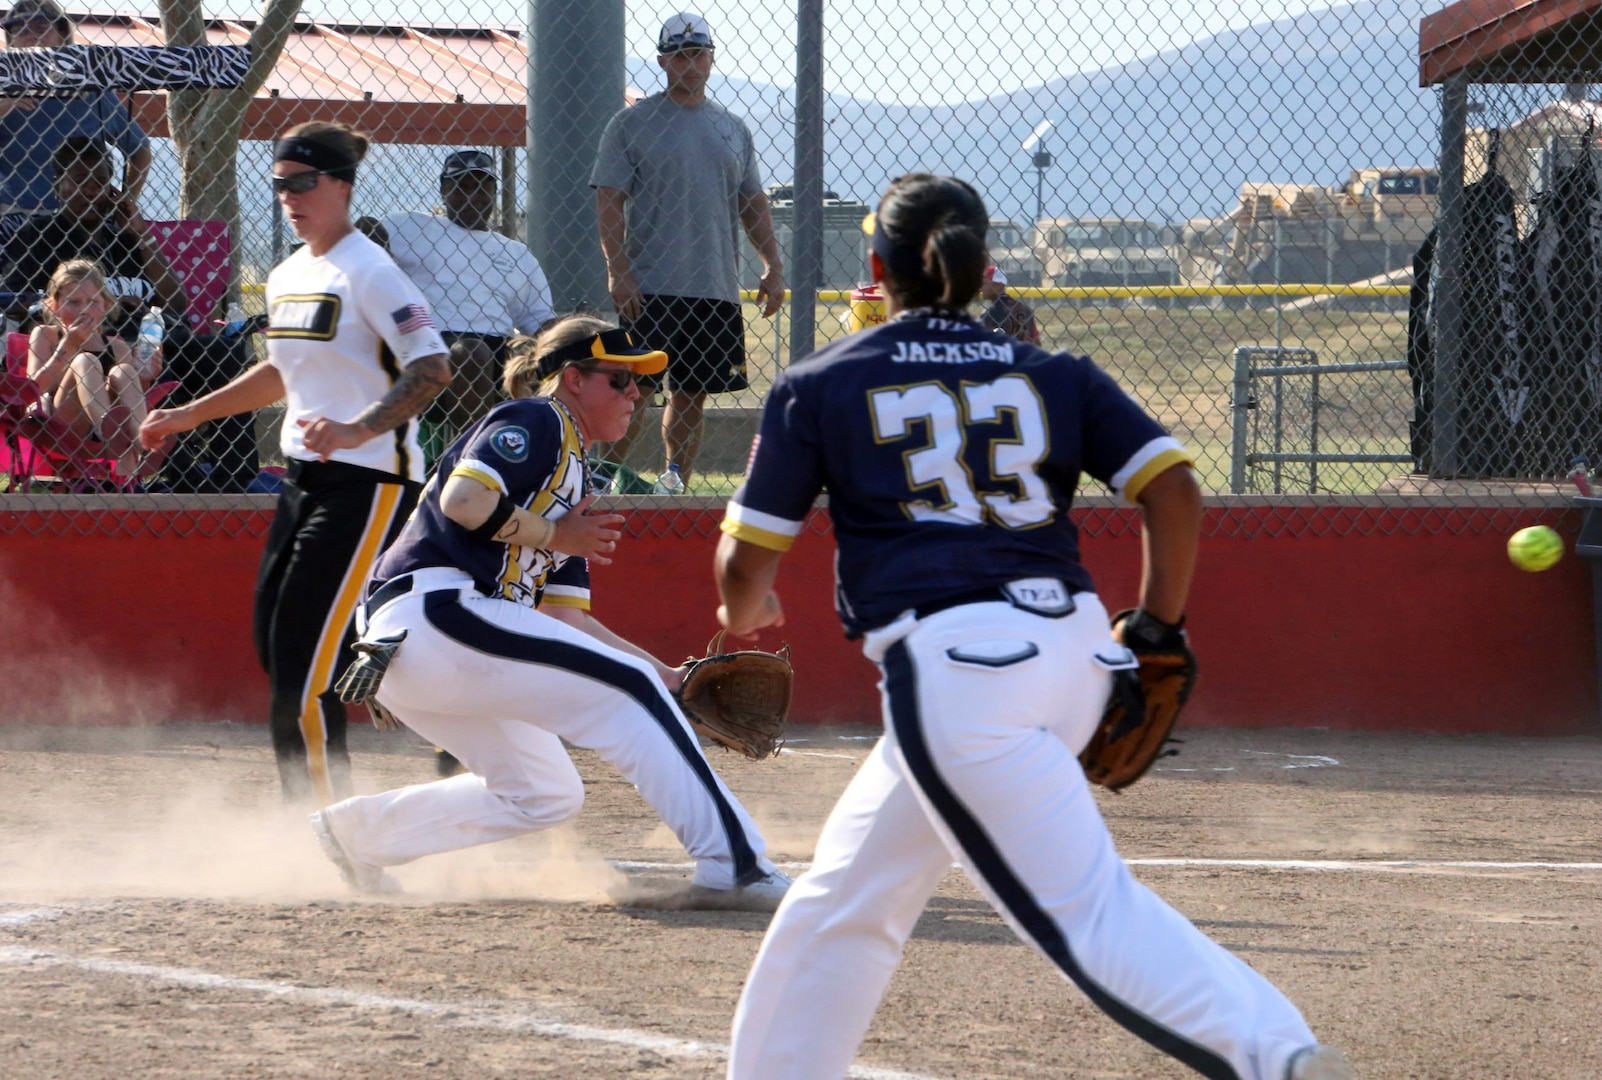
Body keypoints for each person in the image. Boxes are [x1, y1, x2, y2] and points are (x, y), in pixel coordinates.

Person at [714, 174, 1352, 1080]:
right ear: (983, 271)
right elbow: (1172, 489)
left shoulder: (825, 381)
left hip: (960, 673)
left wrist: (747, 611)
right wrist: (1160, 631)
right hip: (1075, 656)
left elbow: (746, 564)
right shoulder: (1055, 374)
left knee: (1088, 913)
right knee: (849, 893)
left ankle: (1274, 1056)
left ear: (874, 269)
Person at [306, 315, 792, 906]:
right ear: (571, 379)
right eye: (620, 379)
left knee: (544, 793)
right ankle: (737, 867)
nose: (636, 394)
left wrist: (668, 677)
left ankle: (358, 834)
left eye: (641, 384)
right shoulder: (538, 419)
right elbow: (465, 500)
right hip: (435, 617)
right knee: (625, 692)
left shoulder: (577, 485)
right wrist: (555, 537)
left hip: (444, 648)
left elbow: (567, 623)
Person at [139, 121, 452, 806]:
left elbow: (433, 367)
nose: (289, 195)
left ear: (340, 185)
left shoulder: (371, 270)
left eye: (303, 182)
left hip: (369, 485)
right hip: (301, 483)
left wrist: (357, 427)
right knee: (277, 646)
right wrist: (188, 415)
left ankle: (327, 825)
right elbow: (280, 372)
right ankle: (437, 721)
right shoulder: (287, 273)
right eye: (279, 183)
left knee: (302, 670)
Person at [591, 11, 784, 485]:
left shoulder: (732, 128)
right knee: (635, 389)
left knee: (692, 392)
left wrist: (773, 264)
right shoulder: (632, 123)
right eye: (679, 55)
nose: (690, 64)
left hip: (714, 285)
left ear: (712, 59)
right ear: (662, 62)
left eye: (698, 54)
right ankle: (602, 475)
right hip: (650, 284)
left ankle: (675, 478)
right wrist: (619, 270)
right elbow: (609, 200)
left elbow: (752, 201)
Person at [362, 149, 557, 456]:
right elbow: (367, 232)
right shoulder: (412, 227)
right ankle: (475, 459)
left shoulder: (516, 253)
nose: (473, 195)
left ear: (495, 191)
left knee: (533, 354)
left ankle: (543, 460)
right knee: (470, 351)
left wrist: (580, 337)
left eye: (482, 186)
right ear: (443, 189)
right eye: (461, 186)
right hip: (432, 344)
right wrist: (370, 236)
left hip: (500, 348)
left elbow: (540, 321)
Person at [5, 136, 186, 338]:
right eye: (81, 181)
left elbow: (175, 303)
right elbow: (13, 301)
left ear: (112, 192)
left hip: (150, 343)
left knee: (223, 350)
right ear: (58, 188)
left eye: (100, 182)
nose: (91, 190)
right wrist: (105, 306)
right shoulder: (38, 235)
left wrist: (142, 234)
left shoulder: (127, 240)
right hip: (82, 345)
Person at [0, 0, 150, 217]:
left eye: (42, 28)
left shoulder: (91, 92)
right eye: (20, 30)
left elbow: (140, 150)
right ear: (11, 41)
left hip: (78, 215)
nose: (32, 36)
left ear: (62, 34)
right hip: (10, 212)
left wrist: (125, 201)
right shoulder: (4, 90)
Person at [26, 258, 152, 484]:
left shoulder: (117, 345)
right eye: (74, 302)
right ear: (54, 306)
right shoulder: (46, 335)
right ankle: (109, 431)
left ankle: (144, 442)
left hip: (117, 426)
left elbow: (130, 396)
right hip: (63, 426)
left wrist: (145, 376)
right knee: (86, 362)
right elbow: (31, 390)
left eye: (93, 301)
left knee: (124, 371)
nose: (84, 310)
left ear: (105, 305)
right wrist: (69, 346)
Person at [978, 264, 1040, 344]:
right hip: (1024, 354)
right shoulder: (1025, 309)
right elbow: (1036, 343)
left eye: (983, 283)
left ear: (998, 285)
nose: (980, 287)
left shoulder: (990, 313)